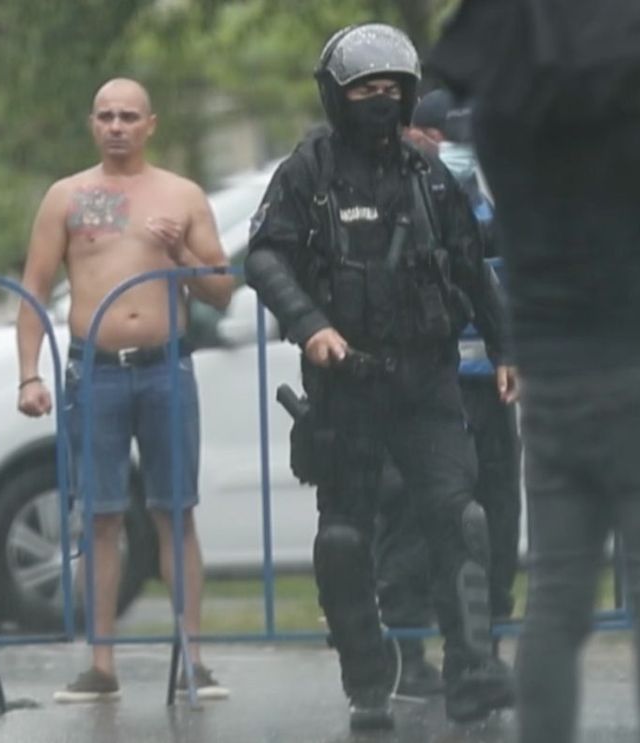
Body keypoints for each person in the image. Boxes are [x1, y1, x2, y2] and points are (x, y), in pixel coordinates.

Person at [244, 24, 517, 730]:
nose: (378, 100)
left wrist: (505, 348)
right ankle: (368, 676)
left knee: (465, 521)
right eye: (364, 89)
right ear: (338, 96)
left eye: (390, 89)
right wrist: (313, 326)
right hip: (346, 387)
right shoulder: (308, 170)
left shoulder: (430, 178)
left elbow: (470, 268)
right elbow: (265, 258)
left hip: (426, 381)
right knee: (344, 540)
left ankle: (472, 673)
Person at [428, 2, 640, 741]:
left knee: (557, 598)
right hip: (630, 364)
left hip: (552, 382)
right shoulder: (619, 128)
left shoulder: (503, 130)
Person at [16, 78, 234, 703]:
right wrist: (29, 372)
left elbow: (221, 288)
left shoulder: (181, 194)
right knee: (102, 516)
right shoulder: (70, 196)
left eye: (128, 117)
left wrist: (183, 252)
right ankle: (101, 663)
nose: (117, 126)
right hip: (97, 369)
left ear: (150, 125)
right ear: (92, 124)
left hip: (166, 366)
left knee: (175, 510)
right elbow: (33, 289)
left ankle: (194, 657)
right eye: (106, 116)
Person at [374, 88, 522, 696]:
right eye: (440, 138)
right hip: (420, 384)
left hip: (488, 384)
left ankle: (483, 651)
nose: (451, 151)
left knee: (496, 512)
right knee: (410, 514)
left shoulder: (493, 199)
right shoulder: (388, 194)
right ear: (413, 133)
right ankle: (410, 657)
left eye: (463, 141)